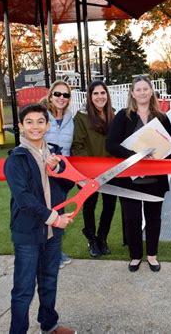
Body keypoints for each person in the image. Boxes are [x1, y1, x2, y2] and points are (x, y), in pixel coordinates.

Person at [4, 104, 75, 334]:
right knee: (24, 289)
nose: (35, 126)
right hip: (28, 232)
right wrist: (54, 218)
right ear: (21, 127)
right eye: (30, 122)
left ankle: (49, 325)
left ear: (47, 125)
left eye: (40, 121)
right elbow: (24, 199)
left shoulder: (54, 152)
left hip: (52, 233)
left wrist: (59, 170)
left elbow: (67, 185)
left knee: (49, 281)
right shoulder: (16, 158)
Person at [106, 75, 171, 273]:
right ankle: (135, 256)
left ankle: (152, 255)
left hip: (155, 179)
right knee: (132, 219)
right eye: (138, 89)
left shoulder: (162, 118)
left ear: (151, 91)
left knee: (154, 218)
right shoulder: (123, 116)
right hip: (130, 179)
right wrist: (135, 156)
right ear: (133, 93)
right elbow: (110, 144)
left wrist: (160, 159)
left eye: (146, 89)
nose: (142, 92)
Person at [72, 80, 117, 257]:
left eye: (103, 93)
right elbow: (78, 144)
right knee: (89, 205)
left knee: (109, 206)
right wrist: (90, 170)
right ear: (90, 97)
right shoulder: (81, 117)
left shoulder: (113, 115)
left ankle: (102, 238)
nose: (100, 97)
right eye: (96, 93)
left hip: (111, 171)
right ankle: (91, 240)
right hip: (88, 172)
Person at [42, 80, 74, 269]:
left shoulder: (71, 118)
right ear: (51, 95)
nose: (61, 98)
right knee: (49, 212)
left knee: (60, 211)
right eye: (58, 94)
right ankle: (50, 255)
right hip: (45, 172)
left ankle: (55, 252)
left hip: (64, 173)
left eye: (65, 95)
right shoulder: (41, 116)